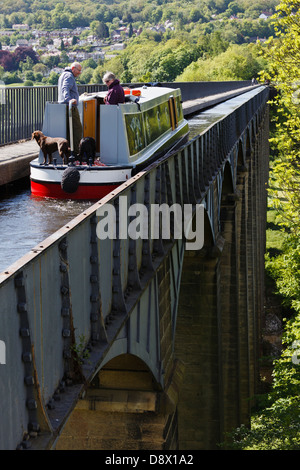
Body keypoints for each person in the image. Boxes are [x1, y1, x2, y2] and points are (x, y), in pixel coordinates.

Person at [58, 62, 83, 156]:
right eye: (79, 70)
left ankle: (69, 153)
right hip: (70, 107)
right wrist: (69, 100)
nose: (80, 72)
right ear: (73, 68)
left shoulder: (64, 74)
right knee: (77, 129)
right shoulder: (69, 76)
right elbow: (65, 88)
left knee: (69, 130)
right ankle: (75, 153)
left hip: (65, 106)